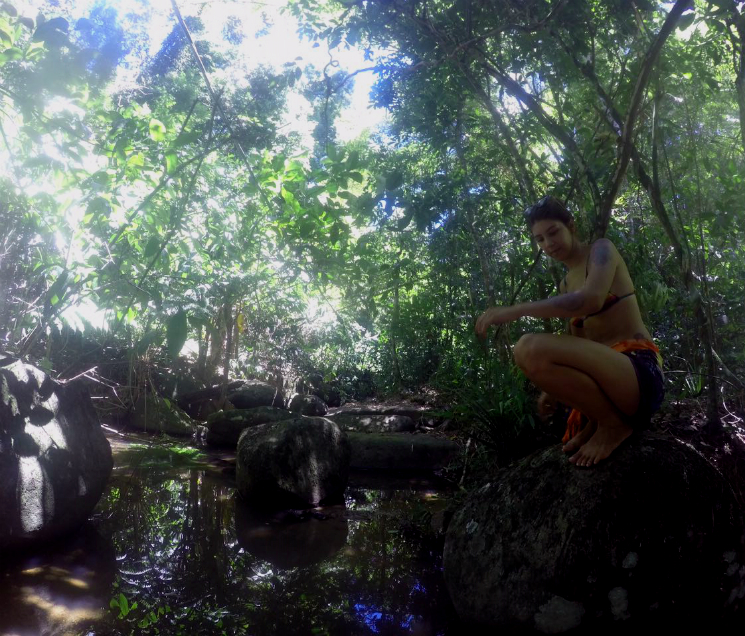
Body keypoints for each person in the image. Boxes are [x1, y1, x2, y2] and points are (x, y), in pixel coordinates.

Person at [475, 196, 664, 466]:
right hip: (608, 380)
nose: (548, 243)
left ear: (571, 226)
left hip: (638, 375)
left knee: (527, 345)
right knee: (530, 355)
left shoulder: (601, 250)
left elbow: (590, 300)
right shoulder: (565, 284)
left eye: (553, 232)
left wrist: (516, 309)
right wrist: (551, 389)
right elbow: (577, 343)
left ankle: (613, 425)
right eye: (540, 239)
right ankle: (600, 422)